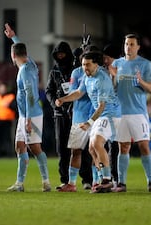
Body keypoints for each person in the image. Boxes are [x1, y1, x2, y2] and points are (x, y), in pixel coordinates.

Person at [56, 50, 120, 193]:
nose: (85, 67)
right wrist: (63, 100)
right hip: (101, 115)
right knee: (92, 148)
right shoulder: (87, 77)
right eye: (83, 64)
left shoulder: (102, 79)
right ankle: (101, 181)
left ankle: (106, 180)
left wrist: (89, 122)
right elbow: (79, 92)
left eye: (88, 64)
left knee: (97, 143)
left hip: (110, 115)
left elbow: (102, 105)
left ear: (96, 64)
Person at [111, 33, 151, 192]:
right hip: (120, 112)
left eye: (132, 44)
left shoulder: (145, 64)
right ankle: (121, 183)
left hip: (138, 112)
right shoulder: (117, 63)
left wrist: (141, 81)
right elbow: (111, 84)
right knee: (123, 147)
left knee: (144, 145)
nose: (128, 47)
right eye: (126, 44)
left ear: (138, 47)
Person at [4, 23, 51, 192]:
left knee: (34, 148)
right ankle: (19, 183)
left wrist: (28, 120)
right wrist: (14, 38)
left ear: (13, 55)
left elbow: (31, 96)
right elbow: (21, 49)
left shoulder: (25, 71)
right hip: (26, 115)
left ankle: (46, 181)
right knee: (20, 146)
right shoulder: (30, 64)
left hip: (31, 115)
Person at [57, 46, 94, 192]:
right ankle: (71, 183)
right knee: (76, 151)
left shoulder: (100, 74)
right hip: (79, 117)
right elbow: (75, 92)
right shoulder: (77, 73)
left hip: (95, 117)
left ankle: (97, 181)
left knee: (95, 150)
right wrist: (64, 99)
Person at [45, 41, 75, 189]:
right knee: (62, 148)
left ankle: (87, 179)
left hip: (76, 113)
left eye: (63, 54)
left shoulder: (76, 70)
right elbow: (48, 90)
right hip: (59, 114)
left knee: (78, 147)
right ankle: (65, 179)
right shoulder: (54, 72)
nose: (61, 56)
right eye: (58, 54)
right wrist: (54, 102)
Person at [102, 43, 122, 187]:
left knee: (116, 147)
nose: (105, 61)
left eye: (107, 58)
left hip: (119, 113)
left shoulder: (122, 70)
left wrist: (116, 74)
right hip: (105, 113)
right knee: (103, 145)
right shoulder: (103, 71)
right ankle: (105, 177)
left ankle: (116, 178)